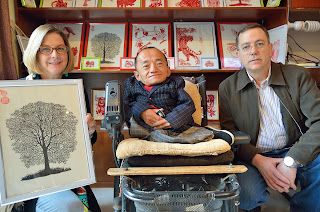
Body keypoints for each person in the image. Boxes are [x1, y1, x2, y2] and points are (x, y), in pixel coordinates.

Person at [218, 23, 320, 211]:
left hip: (295, 148)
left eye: (260, 44)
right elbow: (230, 135)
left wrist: (292, 160)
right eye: (246, 47)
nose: (253, 51)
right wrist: (258, 160)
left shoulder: (297, 76)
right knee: (247, 195)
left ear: (271, 48)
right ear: (238, 54)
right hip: (253, 156)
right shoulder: (227, 88)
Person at [20, 24, 101, 212]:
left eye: (60, 48)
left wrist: (88, 133)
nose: (55, 55)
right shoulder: (16, 92)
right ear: (34, 53)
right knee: (67, 205)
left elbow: (84, 145)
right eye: (46, 49)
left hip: (70, 176)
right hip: (32, 182)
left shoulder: (76, 89)